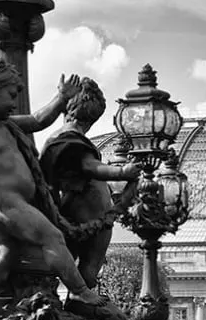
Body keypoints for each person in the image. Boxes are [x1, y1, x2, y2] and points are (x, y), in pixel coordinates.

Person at [0, 60, 109, 319]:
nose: (13, 103)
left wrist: (61, 97)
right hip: (1, 200)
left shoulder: (5, 123)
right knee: (52, 237)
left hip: (16, 200)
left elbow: (40, 120)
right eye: (10, 96)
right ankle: (80, 290)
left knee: (5, 253)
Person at [40, 77, 142, 287]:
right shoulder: (70, 138)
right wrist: (123, 171)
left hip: (79, 211)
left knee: (76, 266)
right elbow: (90, 166)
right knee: (87, 268)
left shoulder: (61, 138)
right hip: (88, 214)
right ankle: (81, 299)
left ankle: (79, 298)